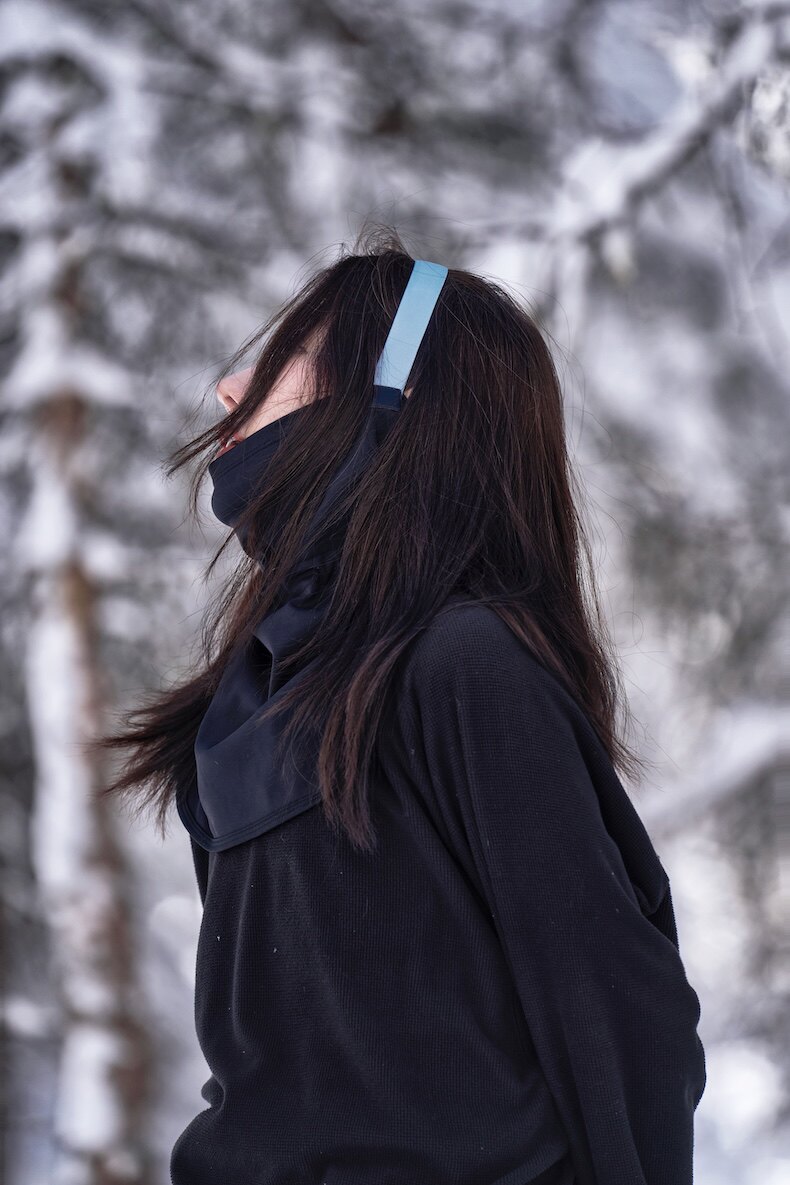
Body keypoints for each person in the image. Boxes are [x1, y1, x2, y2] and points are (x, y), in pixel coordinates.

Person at [95, 229, 706, 1185]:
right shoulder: (247, 694)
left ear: (395, 392)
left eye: (290, 356)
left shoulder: (467, 666)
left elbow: (624, 1021)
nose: (230, 387)